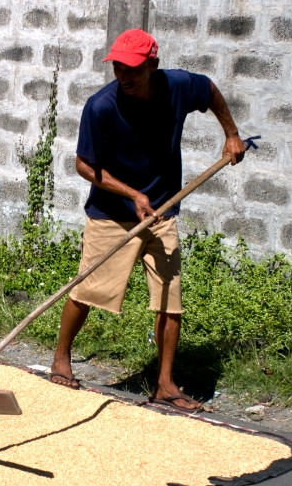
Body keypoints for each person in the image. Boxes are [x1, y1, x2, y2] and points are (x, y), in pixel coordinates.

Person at [49, 28, 246, 411]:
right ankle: (60, 359)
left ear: (152, 65)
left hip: (163, 210)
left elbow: (209, 91)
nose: (123, 75)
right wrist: (133, 194)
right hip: (112, 214)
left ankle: (165, 385)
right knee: (88, 289)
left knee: (170, 300)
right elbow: (84, 166)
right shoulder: (101, 106)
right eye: (118, 67)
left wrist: (232, 134)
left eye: (132, 68)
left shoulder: (177, 86)